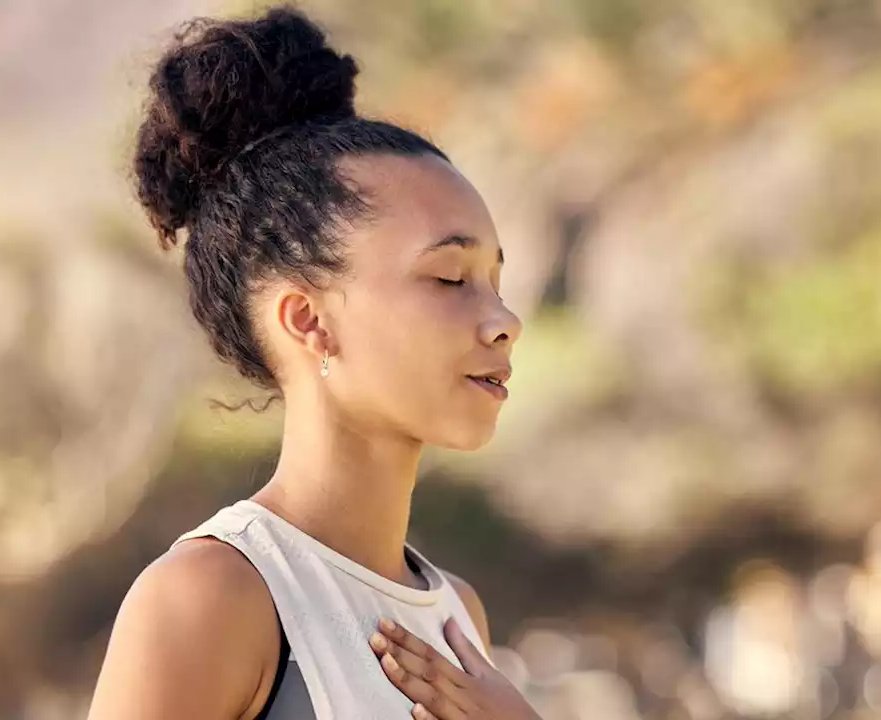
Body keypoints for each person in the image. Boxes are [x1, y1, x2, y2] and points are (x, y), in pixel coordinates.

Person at [87, 6, 541, 719]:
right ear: (310, 322)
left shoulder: (458, 615)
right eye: (452, 279)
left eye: (496, 281)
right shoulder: (214, 596)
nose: (504, 320)